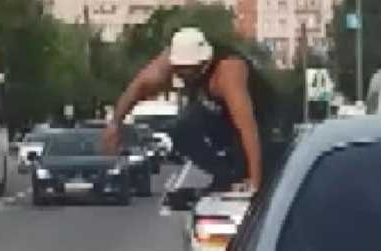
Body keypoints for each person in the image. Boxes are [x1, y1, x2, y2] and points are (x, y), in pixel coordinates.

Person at [102, 27, 287, 194]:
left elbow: (247, 127)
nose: (180, 76)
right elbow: (139, 86)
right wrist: (115, 123)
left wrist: (254, 182)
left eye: (186, 72)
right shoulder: (171, 59)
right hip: (221, 115)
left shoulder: (228, 72)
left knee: (246, 147)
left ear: (202, 65)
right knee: (181, 127)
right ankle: (226, 176)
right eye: (178, 70)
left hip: (264, 118)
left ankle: (245, 173)